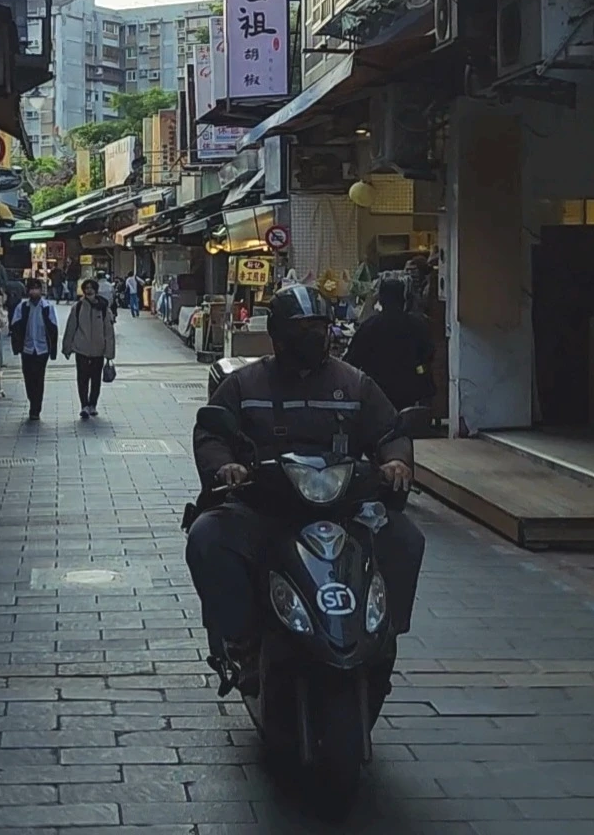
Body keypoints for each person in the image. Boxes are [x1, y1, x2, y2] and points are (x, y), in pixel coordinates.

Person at [186, 285, 425, 712]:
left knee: (405, 538)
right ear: (277, 335)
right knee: (208, 537)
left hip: (343, 507)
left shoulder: (354, 384)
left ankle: (384, 635)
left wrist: (395, 461)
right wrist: (225, 466)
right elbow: (211, 433)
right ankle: (241, 642)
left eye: (319, 327)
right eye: (302, 329)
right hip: (264, 505)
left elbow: (390, 431)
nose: (313, 337)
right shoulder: (245, 385)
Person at [345, 273, 434, 411]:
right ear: (403, 299)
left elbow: (352, 361)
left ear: (381, 300)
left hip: (376, 391)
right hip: (409, 391)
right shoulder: (416, 325)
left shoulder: (369, 326)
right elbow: (428, 354)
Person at [63, 277, 116, 420]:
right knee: (82, 378)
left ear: (96, 290)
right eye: (86, 288)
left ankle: (93, 404)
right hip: (82, 349)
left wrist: (109, 352)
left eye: (91, 288)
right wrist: (67, 347)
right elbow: (70, 328)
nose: (89, 291)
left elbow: (109, 331)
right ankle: (84, 405)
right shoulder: (78, 307)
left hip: (98, 350)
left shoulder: (104, 308)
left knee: (96, 379)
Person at [10, 278, 58, 421]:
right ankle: (32, 400)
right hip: (27, 348)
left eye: (37, 288)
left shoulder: (47, 308)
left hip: (42, 349)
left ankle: (36, 408)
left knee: (39, 377)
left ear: (41, 291)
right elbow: (15, 327)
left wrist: (53, 350)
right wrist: (16, 346)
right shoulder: (22, 307)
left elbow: (54, 329)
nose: (34, 291)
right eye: (32, 289)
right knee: (28, 377)